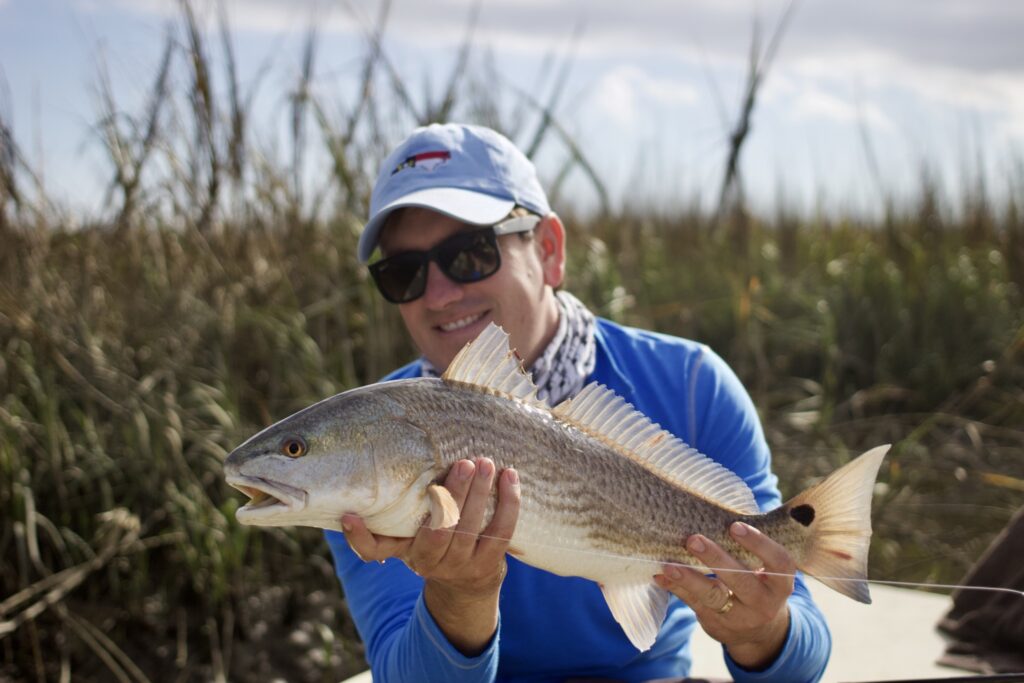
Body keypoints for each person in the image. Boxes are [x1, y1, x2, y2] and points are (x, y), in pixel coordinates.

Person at [325, 123, 831, 682]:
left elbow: (800, 663)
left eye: (470, 252)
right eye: (402, 273)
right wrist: (459, 599)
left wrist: (762, 632)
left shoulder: (692, 384)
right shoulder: (366, 443)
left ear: (548, 250)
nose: (440, 293)